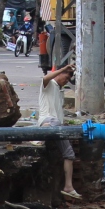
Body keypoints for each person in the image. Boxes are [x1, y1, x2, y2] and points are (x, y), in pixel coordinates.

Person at [38, 63, 80, 200]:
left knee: (69, 154)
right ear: (59, 74)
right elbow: (45, 78)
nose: (66, 81)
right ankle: (38, 138)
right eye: (65, 78)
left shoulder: (58, 91)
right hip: (47, 121)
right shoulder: (49, 84)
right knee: (54, 123)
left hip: (56, 124)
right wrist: (62, 69)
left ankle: (68, 186)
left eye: (68, 80)